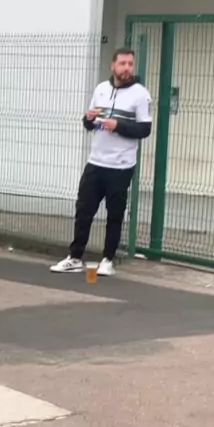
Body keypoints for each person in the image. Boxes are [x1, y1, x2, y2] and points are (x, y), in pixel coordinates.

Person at [51, 48, 152, 277]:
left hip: (121, 166)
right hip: (96, 162)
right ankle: (75, 257)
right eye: (122, 63)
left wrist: (118, 126)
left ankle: (107, 260)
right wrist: (88, 119)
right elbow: (90, 124)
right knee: (83, 211)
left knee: (114, 214)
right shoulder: (101, 90)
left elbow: (144, 129)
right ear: (113, 65)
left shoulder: (140, 94)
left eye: (130, 64)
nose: (127, 68)